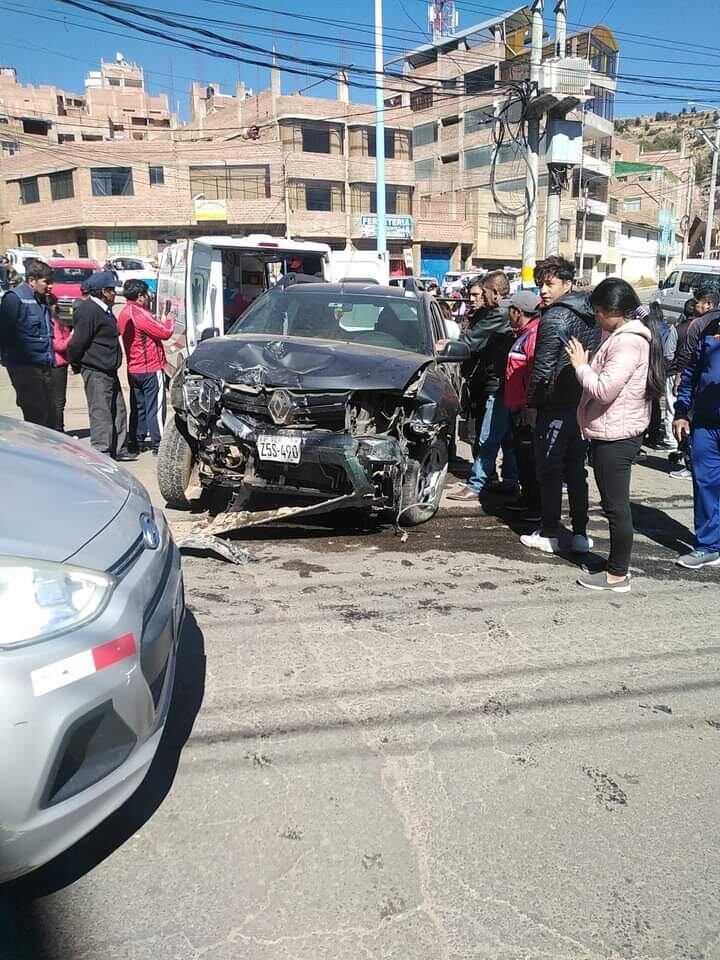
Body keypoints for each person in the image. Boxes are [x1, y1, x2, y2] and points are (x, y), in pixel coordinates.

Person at [566, 280, 664, 592]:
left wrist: (582, 367)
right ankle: (616, 568)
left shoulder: (627, 342)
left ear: (614, 312)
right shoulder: (624, 335)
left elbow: (605, 390)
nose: (595, 317)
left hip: (617, 434)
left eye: (597, 312)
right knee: (615, 505)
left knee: (616, 507)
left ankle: (617, 574)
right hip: (615, 429)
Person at [522, 255, 601, 554]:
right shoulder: (590, 313)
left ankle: (550, 532)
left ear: (567, 284)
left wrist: (532, 406)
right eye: (540, 283)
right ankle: (580, 533)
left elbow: (542, 368)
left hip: (555, 405)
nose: (543, 290)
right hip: (582, 402)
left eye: (550, 283)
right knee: (576, 471)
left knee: (550, 471)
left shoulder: (555, 316)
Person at [446, 270, 519, 501]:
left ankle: (476, 484)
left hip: (498, 384)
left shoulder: (499, 312)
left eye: (484, 293)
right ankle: (510, 482)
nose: (481, 298)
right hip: (505, 382)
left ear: (495, 292)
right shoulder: (504, 310)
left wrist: (447, 345)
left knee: (488, 437)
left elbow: (472, 340)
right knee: (507, 438)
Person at [67, 270, 137, 461]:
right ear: (104, 291)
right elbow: (77, 343)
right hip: (96, 370)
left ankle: (120, 448)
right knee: (101, 412)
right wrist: (77, 364)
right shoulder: (88, 310)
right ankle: (102, 452)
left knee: (118, 411)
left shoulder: (104, 309)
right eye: (112, 290)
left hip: (109, 369)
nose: (115, 294)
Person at [673, 305, 720, 569]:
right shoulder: (709, 329)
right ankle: (708, 546)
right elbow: (690, 374)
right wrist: (681, 411)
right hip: (705, 424)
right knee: (705, 485)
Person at [118, 278, 174, 455]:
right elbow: (164, 333)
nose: (148, 297)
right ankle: (159, 445)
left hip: (134, 367)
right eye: (146, 295)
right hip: (150, 367)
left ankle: (137, 440)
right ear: (140, 296)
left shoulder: (124, 312)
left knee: (138, 408)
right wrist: (169, 320)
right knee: (155, 408)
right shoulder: (140, 314)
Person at [0, 258, 55, 426]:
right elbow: (4, 332)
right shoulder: (14, 298)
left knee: (50, 413)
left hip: (43, 362)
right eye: (46, 282)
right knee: (36, 413)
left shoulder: (42, 299)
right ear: (32, 281)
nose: (50, 286)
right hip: (24, 366)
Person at [503, 290, 542, 520]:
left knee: (529, 460)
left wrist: (529, 407)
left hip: (525, 410)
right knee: (523, 457)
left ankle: (534, 506)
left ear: (518, 312)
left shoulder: (533, 336)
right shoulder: (522, 334)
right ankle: (528, 499)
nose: (508, 314)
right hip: (516, 408)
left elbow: (535, 375)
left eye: (510, 310)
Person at [667, 297, 697, 478]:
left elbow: (669, 353)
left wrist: (677, 371)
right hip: (693, 381)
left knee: (675, 411)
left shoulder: (679, 329)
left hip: (677, 374)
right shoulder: (706, 328)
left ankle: (676, 445)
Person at [47, 291, 73, 433]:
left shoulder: (53, 320)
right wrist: (72, 336)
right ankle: (58, 429)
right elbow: (59, 345)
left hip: (56, 363)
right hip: (57, 364)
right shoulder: (53, 322)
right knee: (58, 400)